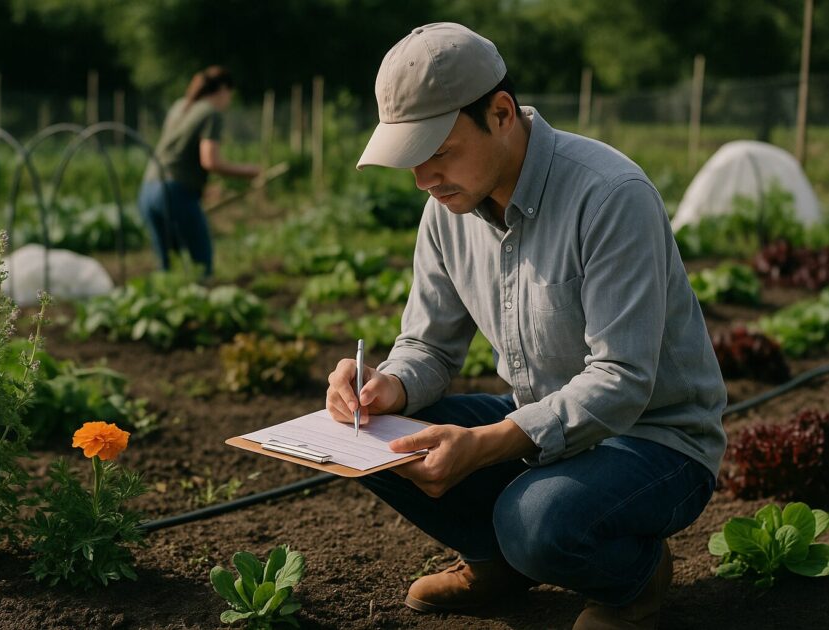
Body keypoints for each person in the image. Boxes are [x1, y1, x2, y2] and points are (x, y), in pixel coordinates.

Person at [324, 23, 726, 630]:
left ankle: (634, 578)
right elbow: (428, 345)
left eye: (439, 151)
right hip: (539, 420)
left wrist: (488, 443)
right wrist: (388, 388)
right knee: (374, 440)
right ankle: (497, 565)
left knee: (534, 521)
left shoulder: (610, 195)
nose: (424, 179)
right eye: (411, 159)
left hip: (654, 438)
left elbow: (621, 379)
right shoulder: (447, 210)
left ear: (502, 113)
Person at [139, 66, 261, 274]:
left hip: (148, 189)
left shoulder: (180, 106)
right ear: (223, 89)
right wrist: (247, 171)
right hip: (175, 193)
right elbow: (210, 161)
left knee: (167, 268)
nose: (229, 101)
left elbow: (178, 154)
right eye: (230, 95)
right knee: (202, 264)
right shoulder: (210, 113)